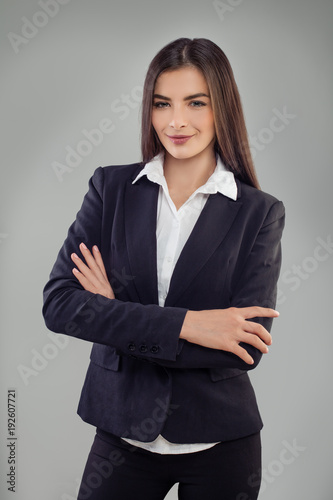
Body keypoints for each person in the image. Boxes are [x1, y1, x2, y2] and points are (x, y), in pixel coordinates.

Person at [42, 37, 285, 500]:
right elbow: (60, 305)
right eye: (162, 103)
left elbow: (244, 347)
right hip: (121, 435)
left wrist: (114, 313)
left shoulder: (260, 212)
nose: (176, 121)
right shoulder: (110, 188)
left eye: (196, 103)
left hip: (221, 441)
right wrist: (193, 325)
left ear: (222, 108)